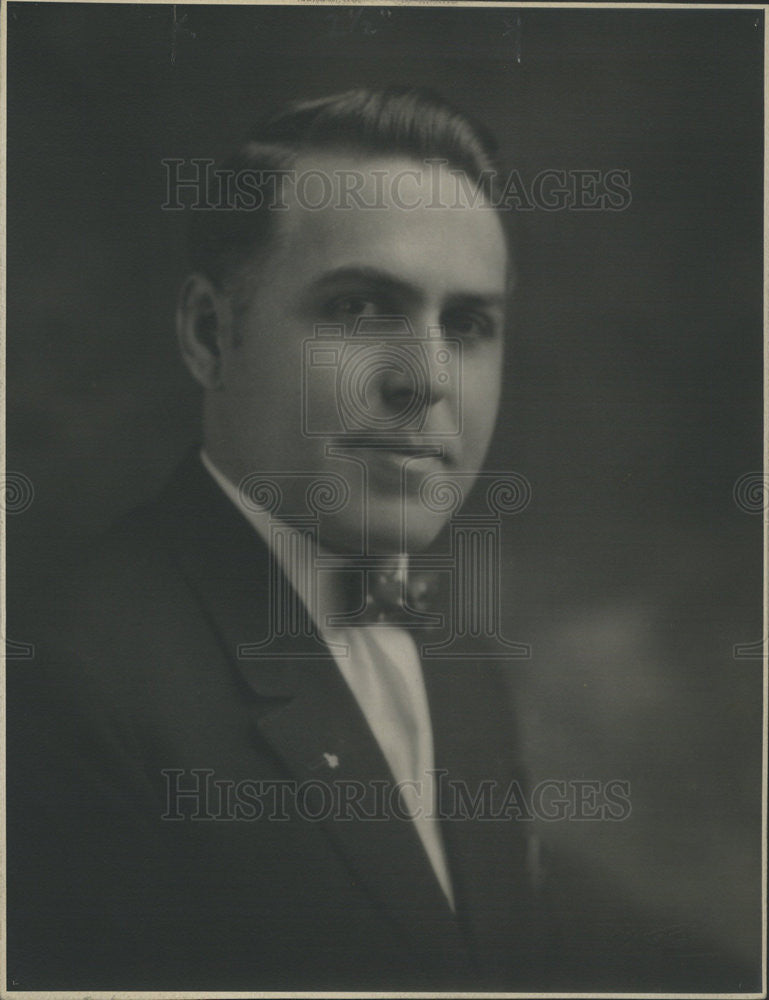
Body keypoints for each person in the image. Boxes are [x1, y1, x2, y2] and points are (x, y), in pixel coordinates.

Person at [5, 87, 751, 994]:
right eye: (360, 309)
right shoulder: (62, 692)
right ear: (210, 336)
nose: (426, 381)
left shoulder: (459, 659)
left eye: (467, 325)